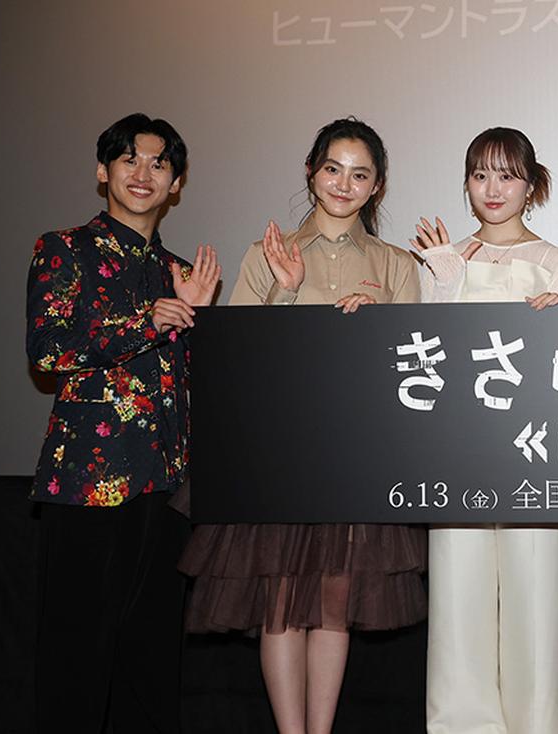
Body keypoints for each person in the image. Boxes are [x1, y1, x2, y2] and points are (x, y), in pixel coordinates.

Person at [177, 117, 426, 734]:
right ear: (311, 172)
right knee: (281, 603)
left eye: (360, 174)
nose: (344, 183)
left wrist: (379, 330)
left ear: (377, 186)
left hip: (355, 457)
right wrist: (286, 292)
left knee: (335, 603)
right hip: (276, 455)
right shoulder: (267, 253)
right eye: (333, 168)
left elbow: (416, 373)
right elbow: (238, 363)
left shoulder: (397, 264)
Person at [26, 113, 220, 733]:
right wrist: (147, 322)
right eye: (130, 159)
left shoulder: (180, 272)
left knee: (153, 658)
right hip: (87, 482)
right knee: (75, 654)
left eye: (159, 164)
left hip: (166, 486)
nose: (144, 173)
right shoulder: (64, 248)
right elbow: (48, 351)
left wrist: (201, 321)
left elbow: (195, 382)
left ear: (176, 183)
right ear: (102, 170)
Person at [410, 127, 558, 733]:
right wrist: (444, 279)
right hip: (460, 449)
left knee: (538, 593)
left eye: (507, 175)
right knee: (458, 595)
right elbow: (425, 357)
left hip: (538, 451)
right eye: (480, 174)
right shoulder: (444, 258)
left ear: (532, 186)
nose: (493, 188)